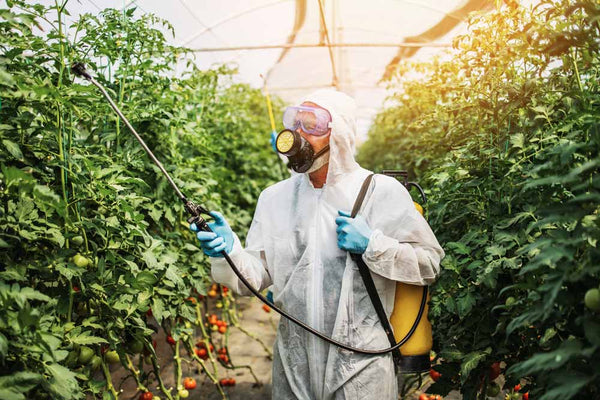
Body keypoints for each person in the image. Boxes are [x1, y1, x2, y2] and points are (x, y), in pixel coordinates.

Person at [190, 89, 444, 400]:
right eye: (296, 124)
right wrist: (229, 252)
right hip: (294, 366)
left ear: (339, 135)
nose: (298, 135)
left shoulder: (381, 192)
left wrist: (373, 246)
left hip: (361, 366)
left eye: (312, 126)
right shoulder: (274, 199)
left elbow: (428, 263)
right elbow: (257, 277)